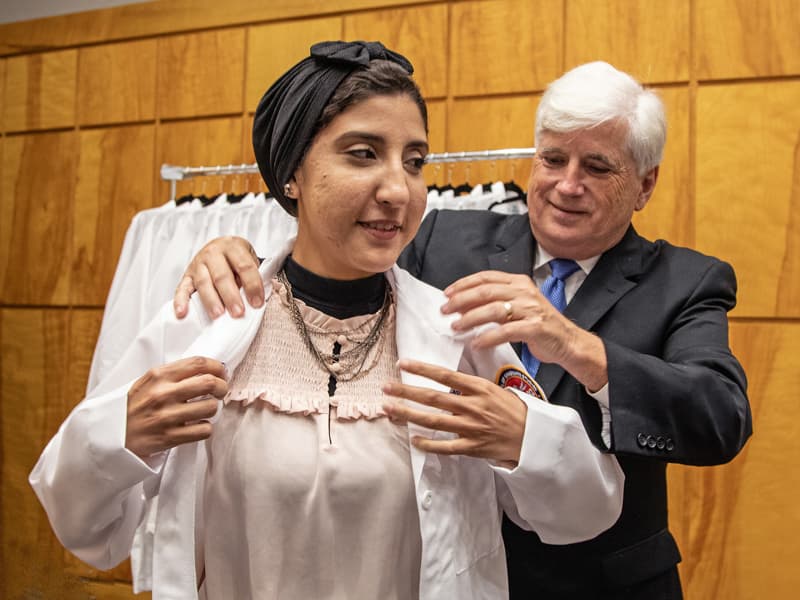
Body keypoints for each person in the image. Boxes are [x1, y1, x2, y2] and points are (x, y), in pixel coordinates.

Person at [30, 43, 625, 600]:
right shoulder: (204, 323)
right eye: (363, 153)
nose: (399, 189)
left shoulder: (456, 336)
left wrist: (526, 439)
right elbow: (83, 524)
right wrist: (121, 434)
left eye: (414, 161)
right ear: (291, 172)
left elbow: (585, 511)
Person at [174, 60, 752, 599]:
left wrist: (579, 348)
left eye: (597, 167)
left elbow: (721, 417)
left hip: (597, 582)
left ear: (645, 185)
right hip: (442, 570)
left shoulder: (687, 281)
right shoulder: (443, 238)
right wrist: (241, 252)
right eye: (552, 160)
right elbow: (337, 264)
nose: (567, 184)